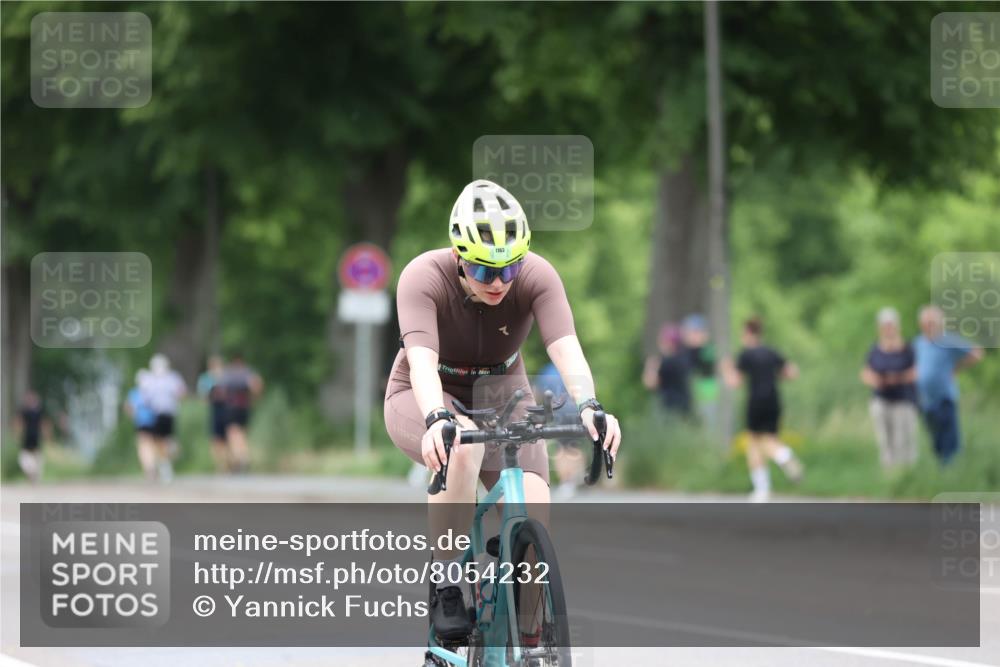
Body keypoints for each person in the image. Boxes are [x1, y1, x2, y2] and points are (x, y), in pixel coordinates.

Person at [382, 179, 621, 664]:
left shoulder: (538, 275)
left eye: (509, 269)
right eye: (482, 269)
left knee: (533, 499)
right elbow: (423, 359)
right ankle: (448, 584)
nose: (498, 283)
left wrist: (591, 406)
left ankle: (530, 632)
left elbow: (565, 347)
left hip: (502, 387)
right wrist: (434, 419)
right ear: (457, 256)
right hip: (425, 388)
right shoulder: (421, 276)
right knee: (462, 447)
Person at [722, 317, 803, 502]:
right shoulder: (772, 352)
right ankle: (769, 478)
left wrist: (726, 369)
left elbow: (735, 382)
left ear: (748, 333)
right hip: (774, 401)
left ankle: (780, 462)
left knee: (754, 442)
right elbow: (792, 373)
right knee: (769, 438)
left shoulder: (746, 355)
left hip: (755, 402)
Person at [913, 305, 983, 465]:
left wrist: (956, 368)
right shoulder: (918, 342)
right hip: (925, 399)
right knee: (935, 439)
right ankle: (941, 471)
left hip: (944, 397)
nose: (929, 325)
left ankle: (952, 471)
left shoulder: (947, 340)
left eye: (933, 322)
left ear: (940, 324)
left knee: (949, 438)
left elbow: (976, 353)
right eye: (926, 322)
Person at [860, 307, 919, 469]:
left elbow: (917, 372)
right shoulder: (875, 349)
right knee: (885, 441)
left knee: (903, 439)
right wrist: (877, 380)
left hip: (903, 399)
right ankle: (889, 474)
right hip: (881, 399)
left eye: (890, 325)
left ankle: (906, 474)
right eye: (885, 325)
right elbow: (866, 372)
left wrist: (897, 378)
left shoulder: (908, 348)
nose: (888, 329)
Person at [532, 361, 585, 500]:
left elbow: (537, 393)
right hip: (576, 408)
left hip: (559, 411)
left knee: (561, 448)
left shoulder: (546, 370)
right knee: (573, 445)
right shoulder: (571, 367)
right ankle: (577, 475)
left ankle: (567, 481)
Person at [138, 354, 187, 482]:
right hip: (164, 413)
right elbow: (181, 393)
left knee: (160, 441)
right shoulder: (169, 378)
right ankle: (167, 461)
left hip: (164, 413)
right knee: (162, 440)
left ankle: (166, 463)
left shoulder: (161, 379)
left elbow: (146, 398)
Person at [220, 353, 264, 473]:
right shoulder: (247, 372)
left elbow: (222, 391)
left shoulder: (228, 373)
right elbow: (257, 385)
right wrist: (254, 398)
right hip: (244, 406)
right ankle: (243, 456)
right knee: (242, 434)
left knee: (233, 433)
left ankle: (240, 458)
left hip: (231, 407)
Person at [642, 323, 692, 416]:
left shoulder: (667, 363)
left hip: (670, 408)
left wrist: (650, 367)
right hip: (684, 406)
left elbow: (650, 383)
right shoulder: (683, 359)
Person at [681, 313, 720, 428]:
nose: (689, 337)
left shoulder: (707, 349)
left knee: (707, 425)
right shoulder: (687, 351)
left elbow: (704, 363)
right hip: (691, 395)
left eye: (693, 333)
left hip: (706, 395)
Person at [197, 355, 231, 472]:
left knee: (217, 439)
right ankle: (224, 464)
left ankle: (222, 465)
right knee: (224, 438)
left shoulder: (206, 378)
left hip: (218, 410)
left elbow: (203, 398)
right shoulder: (226, 376)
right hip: (226, 410)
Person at [124, 370, 158, 480]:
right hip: (153, 421)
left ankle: (149, 468)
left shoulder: (135, 393)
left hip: (141, 422)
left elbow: (128, 408)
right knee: (151, 445)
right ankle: (152, 466)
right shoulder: (152, 392)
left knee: (143, 446)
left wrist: (133, 415)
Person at [15, 390, 45, 483]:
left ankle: (35, 477)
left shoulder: (39, 412)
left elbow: (43, 424)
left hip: (35, 438)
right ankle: (32, 475)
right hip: (26, 438)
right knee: (24, 460)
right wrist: (17, 433)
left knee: (37, 459)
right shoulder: (24, 411)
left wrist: (46, 434)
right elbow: (19, 422)